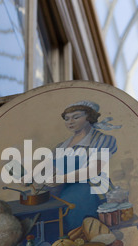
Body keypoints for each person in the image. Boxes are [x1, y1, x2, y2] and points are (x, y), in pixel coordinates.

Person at [48, 100, 121, 233]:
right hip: (62, 189)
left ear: (89, 117)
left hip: (90, 190)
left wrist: (61, 178)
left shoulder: (102, 140)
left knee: (72, 208)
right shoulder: (61, 146)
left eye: (76, 117)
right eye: (67, 118)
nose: (70, 122)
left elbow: (94, 170)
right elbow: (53, 170)